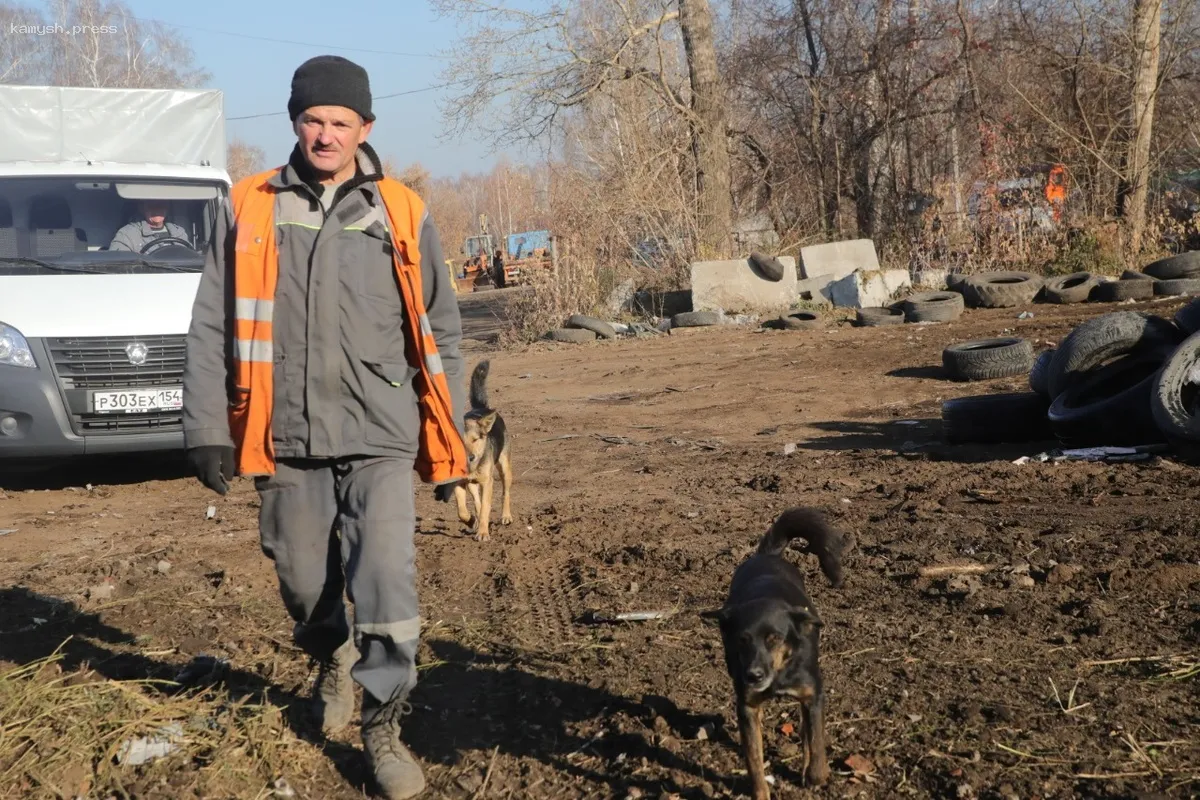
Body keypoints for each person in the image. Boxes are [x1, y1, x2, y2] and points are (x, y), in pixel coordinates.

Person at [180, 54, 469, 800]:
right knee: (303, 580)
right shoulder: (250, 204)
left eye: (341, 122)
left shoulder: (399, 209)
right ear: (295, 123)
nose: (327, 134)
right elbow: (212, 321)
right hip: (286, 435)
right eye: (314, 120)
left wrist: (452, 436)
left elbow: (441, 328)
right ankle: (329, 652)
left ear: (365, 128)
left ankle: (384, 727)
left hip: (381, 432)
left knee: (385, 585)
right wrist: (206, 424)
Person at [109, 199, 191, 251]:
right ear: (142, 208)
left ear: (167, 208)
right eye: (152, 205)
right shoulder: (127, 234)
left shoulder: (179, 232)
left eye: (161, 205)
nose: (157, 209)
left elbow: (191, 257)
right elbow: (118, 264)